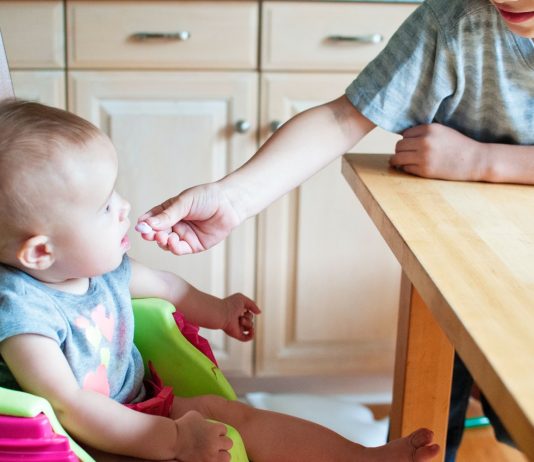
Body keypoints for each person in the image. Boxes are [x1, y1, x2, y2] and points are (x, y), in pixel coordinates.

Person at [136, 0, 534, 460]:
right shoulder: (456, 20)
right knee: (445, 412)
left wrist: (484, 161)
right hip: (464, 260)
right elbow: (344, 117)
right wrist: (234, 198)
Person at [0, 99, 440, 462]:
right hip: (81, 443)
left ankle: (360, 458)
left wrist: (221, 310)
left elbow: (171, 288)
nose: (124, 206)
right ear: (41, 252)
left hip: (142, 407)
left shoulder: (102, 269)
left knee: (233, 417)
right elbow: (67, 406)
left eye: (115, 193)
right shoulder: (23, 315)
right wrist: (172, 441)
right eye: (103, 207)